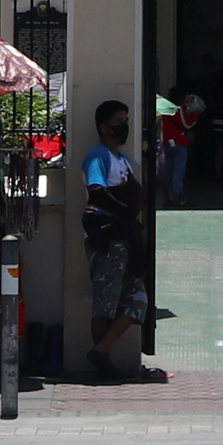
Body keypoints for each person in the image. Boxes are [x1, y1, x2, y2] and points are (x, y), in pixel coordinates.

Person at [81, 97, 151, 378]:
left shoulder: (123, 161)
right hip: (107, 239)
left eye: (126, 121)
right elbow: (96, 190)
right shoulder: (97, 156)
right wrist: (125, 207)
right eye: (119, 121)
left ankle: (101, 350)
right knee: (105, 303)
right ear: (104, 127)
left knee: (138, 299)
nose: (124, 126)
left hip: (126, 239)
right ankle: (102, 363)